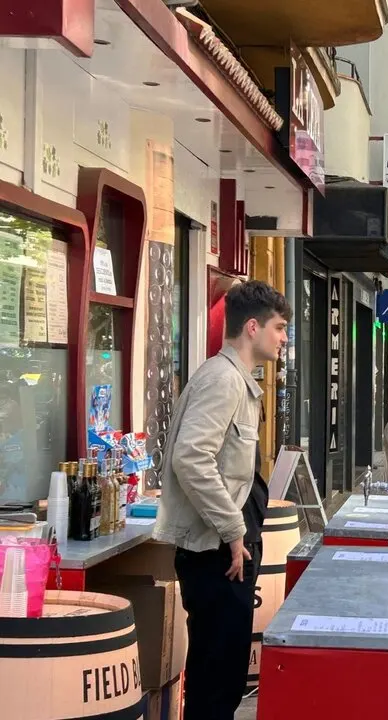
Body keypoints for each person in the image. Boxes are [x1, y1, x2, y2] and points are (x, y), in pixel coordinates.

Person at [154, 281, 290, 720]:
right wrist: (233, 532)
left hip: (226, 549)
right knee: (216, 684)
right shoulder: (223, 381)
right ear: (252, 327)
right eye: (280, 328)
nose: (284, 338)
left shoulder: (235, 380)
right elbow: (190, 459)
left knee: (223, 679)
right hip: (215, 553)